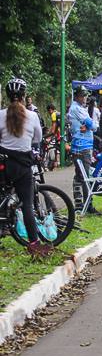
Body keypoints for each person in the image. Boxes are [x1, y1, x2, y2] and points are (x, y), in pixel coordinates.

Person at [1, 78, 53, 257]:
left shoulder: (1, 114)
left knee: (3, 196)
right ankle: (34, 244)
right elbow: (37, 138)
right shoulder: (32, 116)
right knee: (27, 206)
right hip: (23, 166)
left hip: (5, 163)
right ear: (24, 96)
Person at [68, 86, 98, 212]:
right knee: (85, 177)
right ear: (77, 96)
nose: (85, 98)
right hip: (82, 146)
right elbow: (93, 125)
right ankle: (87, 205)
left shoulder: (80, 108)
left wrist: (90, 125)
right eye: (82, 95)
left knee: (80, 176)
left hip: (82, 145)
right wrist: (91, 125)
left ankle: (80, 204)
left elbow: (91, 125)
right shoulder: (76, 108)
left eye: (85, 95)